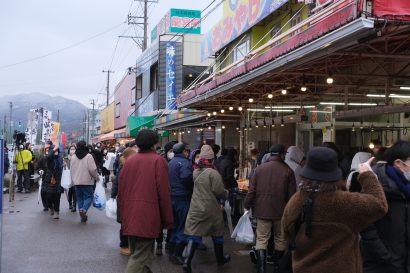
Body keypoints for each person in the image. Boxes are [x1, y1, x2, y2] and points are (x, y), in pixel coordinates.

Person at [282, 147, 388, 273]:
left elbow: (286, 235)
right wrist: (366, 174)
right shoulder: (345, 202)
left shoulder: (295, 202)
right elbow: (379, 205)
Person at [119, 129, 173, 273]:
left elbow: (121, 192)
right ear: (154, 144)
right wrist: (168, 220)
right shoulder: (158, 161)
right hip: (147, 216)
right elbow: (164, 193)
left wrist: (123, 217)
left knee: (144, 255)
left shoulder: (129, 162)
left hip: (130, 215)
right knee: (140, 257)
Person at [244, 144, 297, 273]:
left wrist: (247, 205)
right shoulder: (288, 170)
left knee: (262, 239)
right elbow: (292, 195)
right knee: (280, 238)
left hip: (262, 211)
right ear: (281, 154)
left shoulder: (260, 169)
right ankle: (277, 265)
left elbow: (252, 191)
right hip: (281, 212)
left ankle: (262, 268)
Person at [361, 141, 410, 273]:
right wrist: (385, 255)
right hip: (381, 264)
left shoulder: (407, 189)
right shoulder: (376, 185)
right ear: (399, 163)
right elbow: (365, 225)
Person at [183, 144, 230, 273]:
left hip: (196, 207)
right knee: (217, 233)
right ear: (212, 159)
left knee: (194, 234)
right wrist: (226, 194)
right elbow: (219, 191)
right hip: (211, 208)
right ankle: (220, 259)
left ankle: (187, 262)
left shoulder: (195, 171)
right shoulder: (213, 173)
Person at [168, 142, 194, 265]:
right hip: (182, 198)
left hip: (171, 197)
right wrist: (191, 189)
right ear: (184, 151)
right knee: (183, 226)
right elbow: (186, 178)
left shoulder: (171, 162)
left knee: (174, 225)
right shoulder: (185, 163)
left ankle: (171, 251)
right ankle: (177, 254)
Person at [111, 147, 138, 256]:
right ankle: (126, 244)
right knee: (128, 223)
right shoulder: (128, 168)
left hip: (123, 199)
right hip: (129, 199)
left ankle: (125, 244)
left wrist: (113, 195)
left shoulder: (122, 168)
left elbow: (116, 184)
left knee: (125, 223)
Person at [70, 141, 99, 223]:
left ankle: (82, 214)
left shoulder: (73, 157)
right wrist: (97, 178)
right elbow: (92, 169)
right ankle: (83, 210)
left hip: (77, 181)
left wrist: (73, 180)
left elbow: (71, 170)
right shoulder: (88, 156)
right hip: (87, 181)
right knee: (89, 197)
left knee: (79, 198)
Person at [39, 142, 64, 219]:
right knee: (48, 196)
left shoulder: (59, 157)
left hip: (57, 179)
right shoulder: (49, 157)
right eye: (54, 150)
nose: (56, 152)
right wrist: (53, 150)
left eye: (57, 150)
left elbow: (61, 167)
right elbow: (48, 156)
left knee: (56, 197)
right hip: (48, 178)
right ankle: (51, 207)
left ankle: (57, 212)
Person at [66, 144, 77, 212]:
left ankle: (74, 205)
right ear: (69, 151)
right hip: (68, 177)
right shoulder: (66, 159)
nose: (72, 150)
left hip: (75, 176)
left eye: (74, 149)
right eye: (71, 149)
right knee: (70, 191)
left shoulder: (77, 158)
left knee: (74, 191)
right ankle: (70, 203)